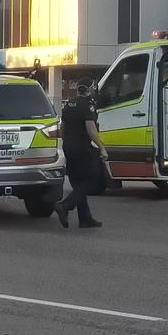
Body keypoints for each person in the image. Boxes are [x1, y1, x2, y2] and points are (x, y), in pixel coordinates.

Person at [54, 77, 107, 229]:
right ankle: (65, 205)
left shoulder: (69, 104)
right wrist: (101, 147)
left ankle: (85, 218)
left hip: (69, 146)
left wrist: (68, 143)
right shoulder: (88, 104)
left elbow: (62, 129)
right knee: (92, 180)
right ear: (90, 89)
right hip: (82, 148)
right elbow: (90, 128)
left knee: (78, 182)